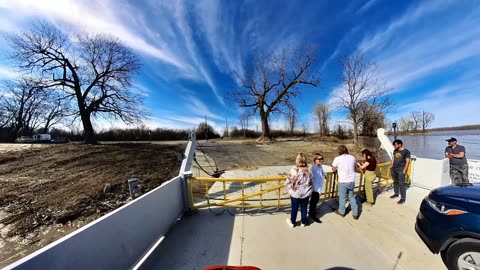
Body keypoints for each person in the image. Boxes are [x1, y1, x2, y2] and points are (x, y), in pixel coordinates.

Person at [285, 153, 313, 228]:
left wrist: (289, 187)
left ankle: (292, 222)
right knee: (304, 208)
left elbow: (288, 180)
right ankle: (303, 222)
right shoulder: (309, 170)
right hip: (306, 193)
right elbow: (311, 179)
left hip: (295, 193)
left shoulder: (294, 169)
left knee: (294, 208)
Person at [332, 145, 359, 220]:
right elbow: (354, 168)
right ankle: (355, 213)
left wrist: (336, 168)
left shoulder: (337, 159)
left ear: (339, 151)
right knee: (352, 197)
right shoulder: (352, 157)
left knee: (342, 197)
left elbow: (333, 169)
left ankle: (341, 212)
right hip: (351, 180)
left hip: (343, 181)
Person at [390, 139, 411, 205]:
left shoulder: (406, 151)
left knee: (402, 184)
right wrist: (391, 166)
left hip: (401, 170)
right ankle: (396, 194)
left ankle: (403, 198)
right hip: (394, 169)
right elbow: (393, 158)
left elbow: (408, 161)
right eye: (394, 145)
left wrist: (404, 170)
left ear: (400, 144)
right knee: (395, 182)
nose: (394, 146)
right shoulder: (395, 150)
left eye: (395, 145)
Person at [309, 153, 325, 223]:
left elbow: (322, 173)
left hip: (319, 187)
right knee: (313, 202)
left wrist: (325, 175)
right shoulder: (312, 167)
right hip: (315, 188)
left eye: (322, 159)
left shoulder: (320, 166)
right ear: (315, 160)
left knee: (315, 202)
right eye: (319, 159)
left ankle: (313, 211)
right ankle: (311, 215)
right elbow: (310, 178)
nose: (321, 160)